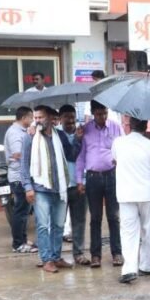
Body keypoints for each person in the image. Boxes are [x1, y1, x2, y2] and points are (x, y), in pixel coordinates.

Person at [22, 106, 80, 274]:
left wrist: (77, 139)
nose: (37, 120)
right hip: (40, 189)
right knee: (42, 225)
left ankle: (56, 257)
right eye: (35, 117)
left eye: (40, 117)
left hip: (60, 188)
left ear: (49, 118)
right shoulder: (31, 137)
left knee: (58, 225)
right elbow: (24, 163)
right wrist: (27, 187)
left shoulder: (59, 135)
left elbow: (71, 155)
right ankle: (46, 259)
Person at [111, 119, 150, 284]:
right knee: (148, 230)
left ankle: (129, 269)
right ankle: (147, 266)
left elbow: (115, 160)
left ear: (129, 126)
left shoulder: (118, 143)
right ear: (146, 127)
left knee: (128, 232)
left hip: (126, 194)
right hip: (147, 194)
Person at [76, 100, 124, 268]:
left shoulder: (116, 127)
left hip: (112, 176)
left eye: (104, 113)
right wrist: (79, 180)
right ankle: (95, 255)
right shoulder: (86, 130)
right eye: (98, 114)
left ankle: (117, 253)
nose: (102, 117)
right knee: (95, 218)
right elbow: (81, 156)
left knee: (114, 217)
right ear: (92, 113)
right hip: (92, 177)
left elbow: (123, 150)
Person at [58, 105, 89, 265]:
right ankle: (56, 255)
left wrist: (80, 138)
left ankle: (78, 253)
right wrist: (77, 139)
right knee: (58, 222)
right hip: (62, 187)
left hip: (80, 185)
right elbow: (71, 155)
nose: (70, 120)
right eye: (66, 117)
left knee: (79, 221)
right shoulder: (57, 135)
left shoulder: (83, 133)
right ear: (60, 118)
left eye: (72, 117)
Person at [4, 106, 37, 253]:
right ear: (24, 118)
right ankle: (18, 244)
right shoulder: (14, 132)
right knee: (20, 211)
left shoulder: (21, 131)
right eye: (31, 118)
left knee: (24, 211)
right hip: (19, 177)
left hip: (23, 176)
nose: (32, 121)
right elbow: (18, 154)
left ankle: (23, 240)